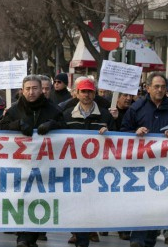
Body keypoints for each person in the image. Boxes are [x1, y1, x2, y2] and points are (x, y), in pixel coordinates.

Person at [121, 72, 168, 247]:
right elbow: (122, 133)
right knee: (141, 203)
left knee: (157, 206)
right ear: (148, 88)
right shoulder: (136, 108)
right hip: (141, 166)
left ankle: (149, 240)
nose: (159, 90)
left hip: (165, 167)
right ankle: (137, 238)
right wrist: (134, 133)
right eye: (156, 86)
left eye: (163, 87)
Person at [0, 75, 63, 247]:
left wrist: (52, 125)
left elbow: (65, 129)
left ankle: (31, 237)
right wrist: (17, 125)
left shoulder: (53, 110)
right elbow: (0, 129)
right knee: (22, 198)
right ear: (22, 90)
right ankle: (23, 236)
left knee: (39, 199)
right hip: (20, 163)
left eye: (35, 88)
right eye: (27, 89)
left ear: (41, 89)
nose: (31, 92)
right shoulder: (13, 111)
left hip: (44, 165)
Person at [62, 78, 113, 247]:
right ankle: (81, 237)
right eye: (83, 91)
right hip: (74, 169)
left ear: (95, 93)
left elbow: (119, 138)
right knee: (77, 204)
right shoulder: (66, 114)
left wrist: (109, 132)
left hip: (97, 170)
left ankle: (88, 231)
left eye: (90, 91)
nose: (86, 95)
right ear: (76, 93)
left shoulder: (105, 115)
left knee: (91, 204)